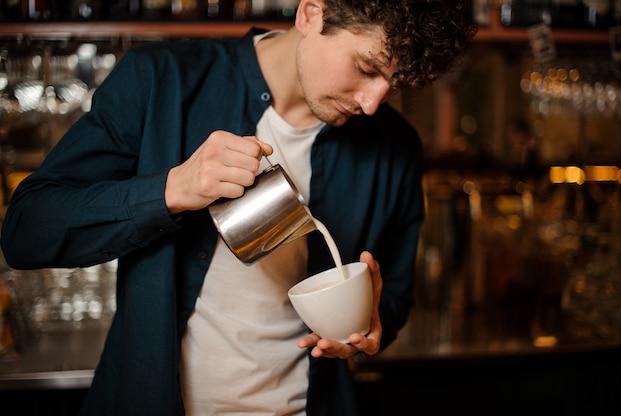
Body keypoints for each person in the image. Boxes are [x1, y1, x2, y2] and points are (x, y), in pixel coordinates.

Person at [0, 0, 475, 414]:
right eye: (368, 68)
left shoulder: (395, 147)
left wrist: (372, 325)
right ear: (312, 13)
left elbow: (394, 298)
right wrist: (172, 189)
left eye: (394, 85)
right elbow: (25, 231)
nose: (373, 103)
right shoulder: (161, 81)